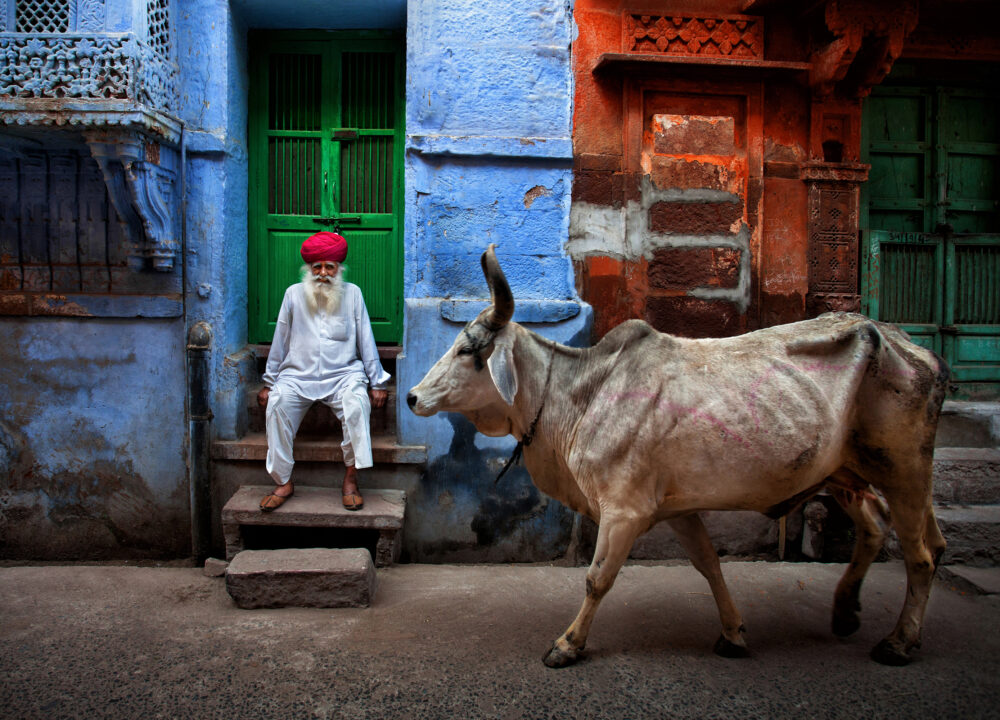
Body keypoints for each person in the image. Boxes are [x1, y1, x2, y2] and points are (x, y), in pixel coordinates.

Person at [257, 231, 390, 512]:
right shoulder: (293, 294)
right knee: (278, 404)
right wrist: (269, 382)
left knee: (356, 404)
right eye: (317, 267)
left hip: (343, 375)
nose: (323, 273)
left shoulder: (352, 294)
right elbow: (280, 339)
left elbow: (366, 338)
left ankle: (351, 480)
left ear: (339, 269)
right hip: (297, 375)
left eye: (329, 267)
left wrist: (377, 382)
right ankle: (283, 481)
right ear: (308, 270)